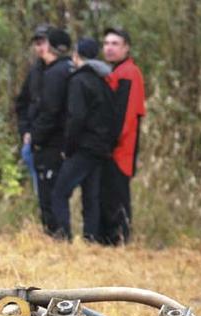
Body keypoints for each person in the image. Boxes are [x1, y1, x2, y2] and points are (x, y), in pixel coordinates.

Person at [50, 38, 116, 242]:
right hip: (100, 148)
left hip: (83, 147)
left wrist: (68, 148)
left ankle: (63, 237)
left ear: (76, 56)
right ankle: (91, 239)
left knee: (60, 192)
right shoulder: (103, 81)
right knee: (91, 196)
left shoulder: (78, 81)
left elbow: (76, 117)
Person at [100, 27, 146, 245]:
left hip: (120, 149)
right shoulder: (116, 71)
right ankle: (111, 240)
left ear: (126, 47)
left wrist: (110, 144)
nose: (109, 48)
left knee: (116, 197)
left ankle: (119, 240)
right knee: (109, 196)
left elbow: (126, 115)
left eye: (115, 44)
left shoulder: (128, 72)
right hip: (113, 147)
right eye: (107, 43)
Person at [29, 28, 74, 239]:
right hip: (64, 141)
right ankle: (57, 234)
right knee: (55, 191)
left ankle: (56, 234)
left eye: (43, 43)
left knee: (50, 192)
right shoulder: (70, 69)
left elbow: (51, 110)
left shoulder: (56, 73)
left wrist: (36, 137)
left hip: (51, 143)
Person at [14, 24, 51, 196]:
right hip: (34, 141)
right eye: (37, 43)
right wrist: (25, 131)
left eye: (43, 42)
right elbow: (22, 103)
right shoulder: (35, 71)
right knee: (41, 189)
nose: (40, 47)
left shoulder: (64, 70)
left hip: (55, 141)